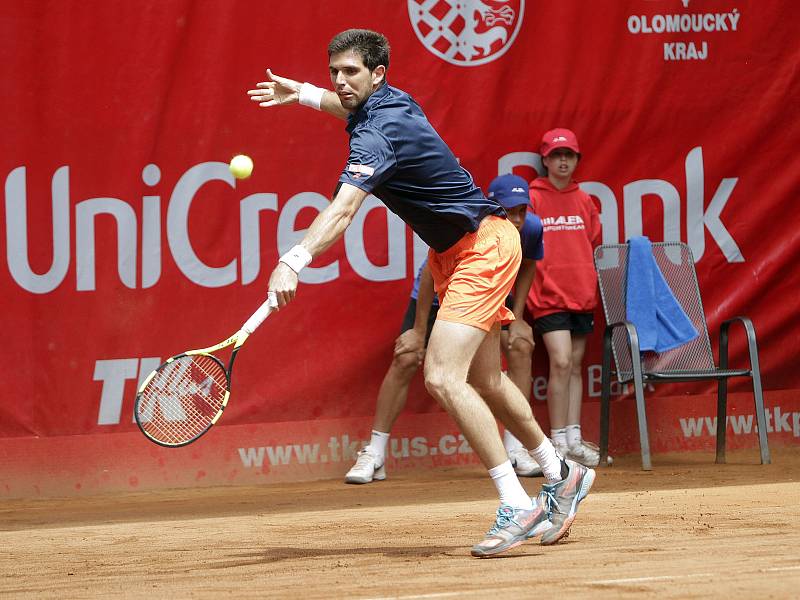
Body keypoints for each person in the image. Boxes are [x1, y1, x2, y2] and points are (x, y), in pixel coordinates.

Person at [248, 29, 594, 557]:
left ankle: (515, 501)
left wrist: (293, 259)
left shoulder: (377, 133)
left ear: (377, 74)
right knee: (486, 379)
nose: (339, 82)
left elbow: (342, 210)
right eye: (334, 72)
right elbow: (347, 109)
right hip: (458, 252)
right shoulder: (390, 103)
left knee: (440, 375)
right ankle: (559, 472)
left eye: (351, 73)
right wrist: (303, 94)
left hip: (482, 248)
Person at [344, 174, 544, 484]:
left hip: (480, 295)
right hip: (437, 294)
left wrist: (517, 317)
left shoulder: (529, 228)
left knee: (518, 348)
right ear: (494, 206)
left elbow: (529, 264)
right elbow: (427, 275)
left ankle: (517, 449)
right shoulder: (472, 222)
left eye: (522, 210)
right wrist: (419, 330)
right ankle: (375, 453)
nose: (517, 218)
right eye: (510, 210)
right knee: (408, 357)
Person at [526, 128, 609, 467]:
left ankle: (574, 440)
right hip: (547, 296)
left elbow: (593, 244)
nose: (563, 161)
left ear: (576, 160)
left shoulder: (584, 200)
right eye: (556, 155)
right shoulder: (534, 197)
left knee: (574, 366)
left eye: (569, 155)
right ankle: (556, 441)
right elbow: (525, 246)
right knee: (560, 362)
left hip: (581, 293)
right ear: (545, 160)